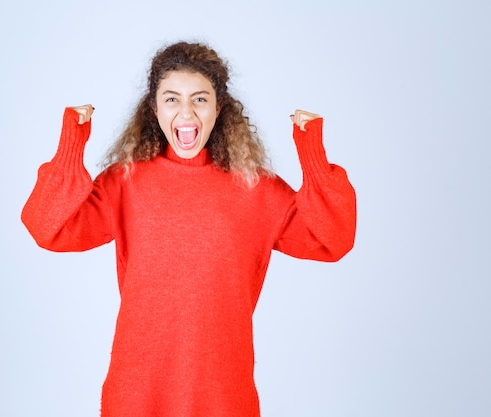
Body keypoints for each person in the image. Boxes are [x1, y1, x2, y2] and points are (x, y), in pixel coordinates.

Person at [22, 41, 356, 417]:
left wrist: (311, 151)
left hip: (224, 393)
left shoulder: (255, 187)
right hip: (137, 390)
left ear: (219, 108)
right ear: (154, 109)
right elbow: (46, 226)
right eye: (171, 99)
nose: (186, 112)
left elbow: (334, 238)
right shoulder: (126, 181)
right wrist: (72, 143)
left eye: (199, 99)